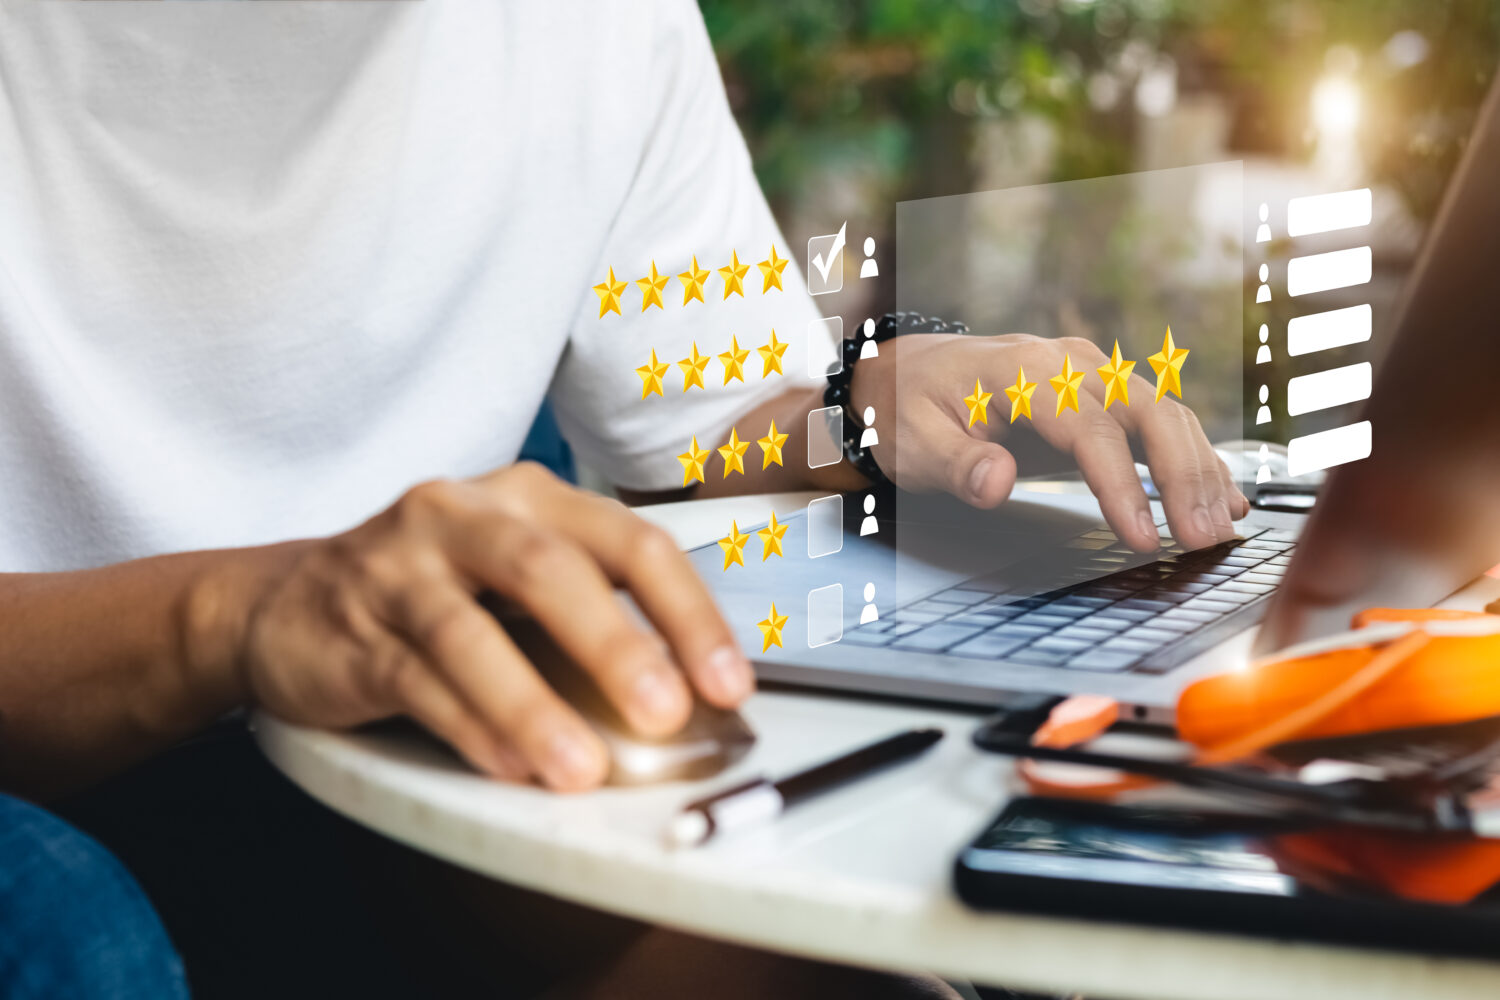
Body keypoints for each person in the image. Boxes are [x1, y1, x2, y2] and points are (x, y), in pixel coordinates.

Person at [0, 1, 1247, 996]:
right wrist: (238, 613)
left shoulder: (596, 23)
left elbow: (700, 437)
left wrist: (868, 411)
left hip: (417, 764)